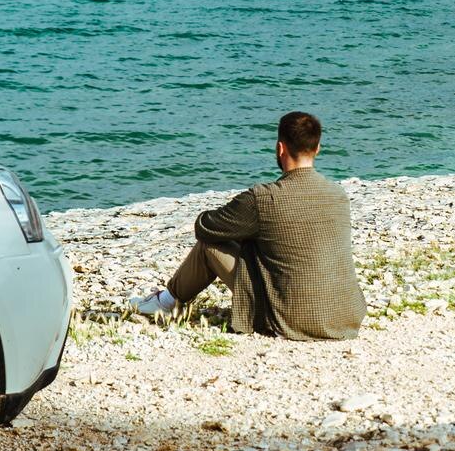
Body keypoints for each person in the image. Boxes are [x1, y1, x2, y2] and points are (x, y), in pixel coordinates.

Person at [127, 111, 365, 340]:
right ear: (317, 149)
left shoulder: (263, 197)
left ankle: (166, 301)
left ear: (280, 148)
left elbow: (205, 227)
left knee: (210, 244)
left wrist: (242, 230)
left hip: (289, 319)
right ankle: (165, 300)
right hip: (343, 316)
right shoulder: (338, 195)